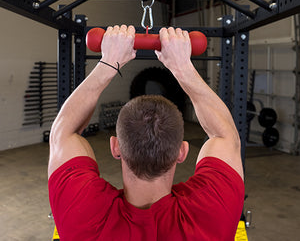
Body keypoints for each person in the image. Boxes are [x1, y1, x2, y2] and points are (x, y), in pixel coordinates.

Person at [48, 25, 245, 241]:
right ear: (182, 151)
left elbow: (64, 132)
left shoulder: (84, 214)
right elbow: (225, 136)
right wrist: (182, 67)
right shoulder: (210, 213)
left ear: (115, 148)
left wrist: (108, 63)